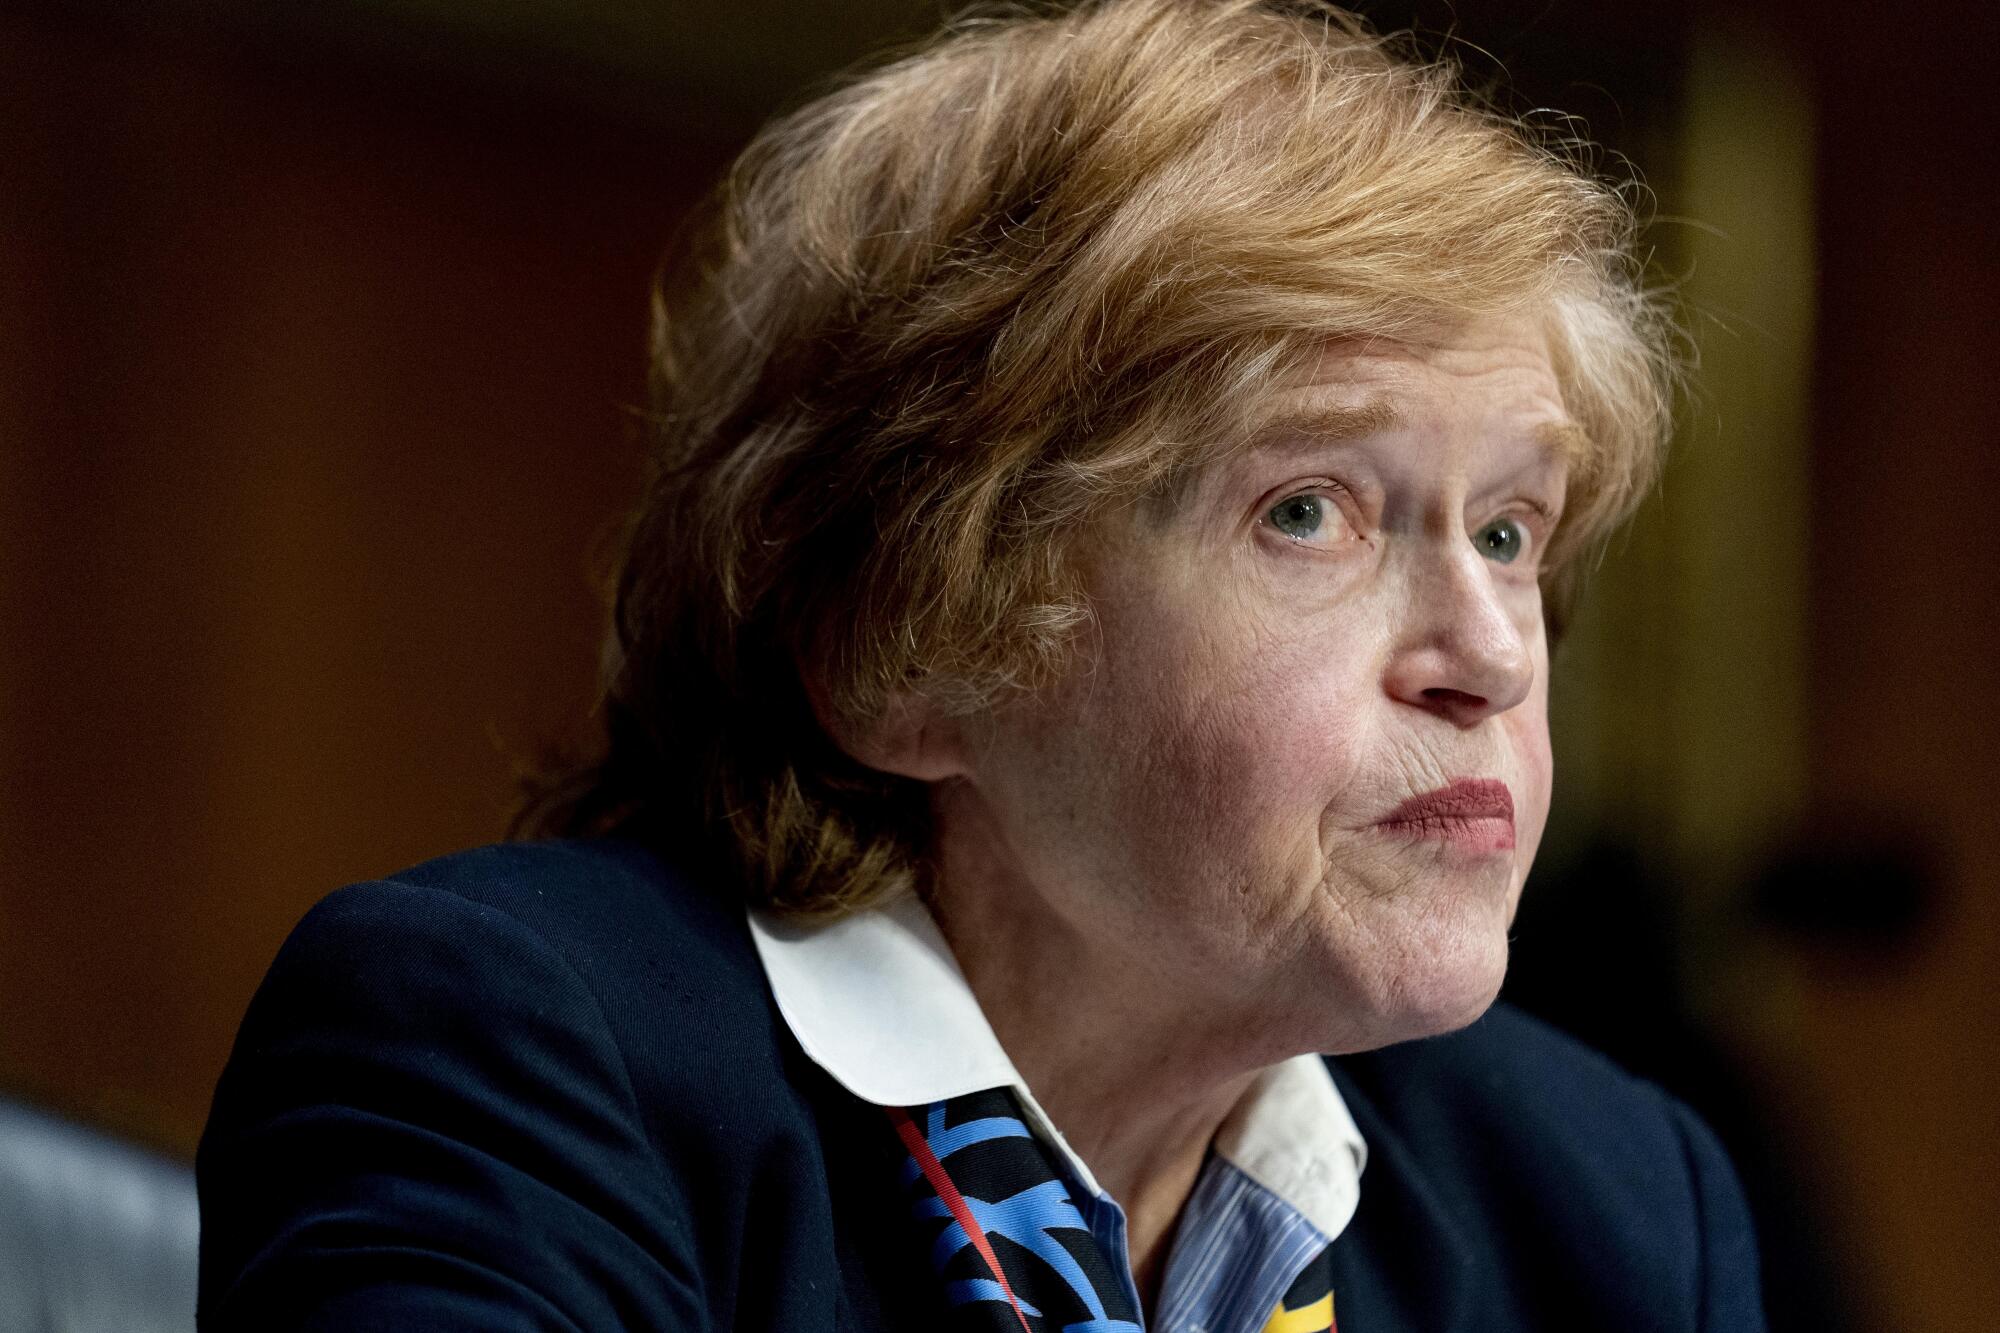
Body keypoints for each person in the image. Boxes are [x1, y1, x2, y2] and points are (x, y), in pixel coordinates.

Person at [195, 1, 1767, 1329]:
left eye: (1508, 530)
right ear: (914, 644)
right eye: (1311, 512)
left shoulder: (1604, 1199)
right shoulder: (512, 1065)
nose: (1488, 655)